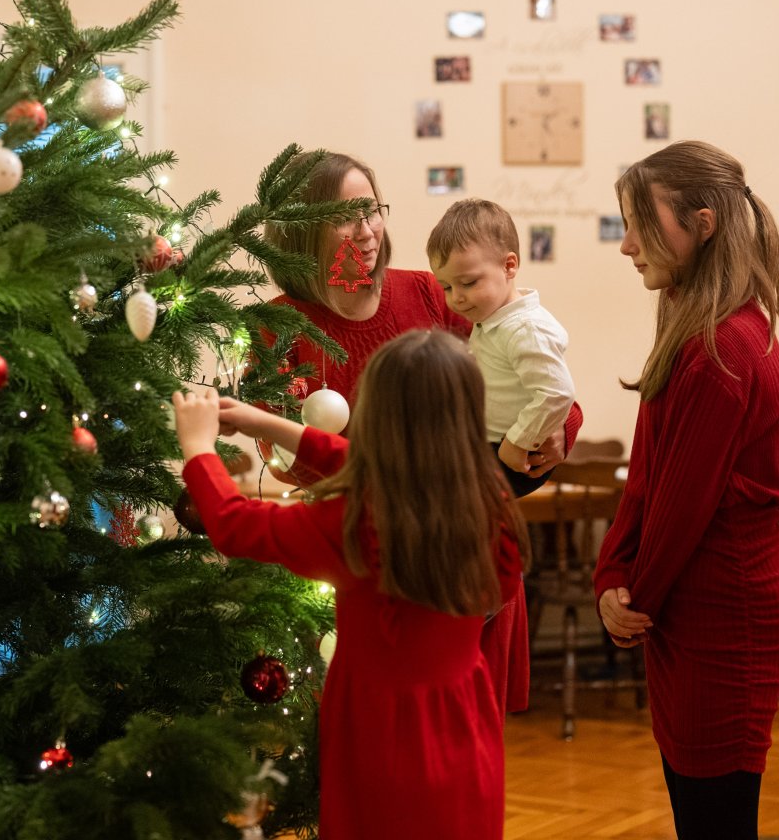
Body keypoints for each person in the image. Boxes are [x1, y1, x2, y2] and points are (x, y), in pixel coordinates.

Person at [260, 151, 585, 713]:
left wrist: (559, 434)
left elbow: (537, 381)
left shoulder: (436, 293)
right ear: (301, 231)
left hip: (461, 562)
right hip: (357, 578)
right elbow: (294, 466)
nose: (367, 231)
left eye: (372, 210)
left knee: (465, 760)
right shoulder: (278, 328)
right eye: (346, 216)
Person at [173, 330, 524, 839]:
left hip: (378, 729)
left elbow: (232, 524)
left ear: (376, 418)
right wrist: (265, 422)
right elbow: (361, 465)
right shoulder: (488, 497)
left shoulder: (353, 522)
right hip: (463, 720)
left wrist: (197, 448)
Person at [592, 140, 779, 840]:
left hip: (727, 616)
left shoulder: (723, 351)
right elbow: (648, 477)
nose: (626, 246)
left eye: (639, 224)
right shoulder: (694, 334)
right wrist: (613, 575)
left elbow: (683, 507)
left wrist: (636, 598)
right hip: (695, 609)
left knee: (714, 822)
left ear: (703, 225)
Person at [427, 198, 574, 497]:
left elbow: (557, 392)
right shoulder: (493, 321)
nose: (456, 298)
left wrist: (518, 442)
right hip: (488, 442)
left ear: (509, 266)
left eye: (467, 283)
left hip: (512, 455)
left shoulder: (524, 328)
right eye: (446, 287)